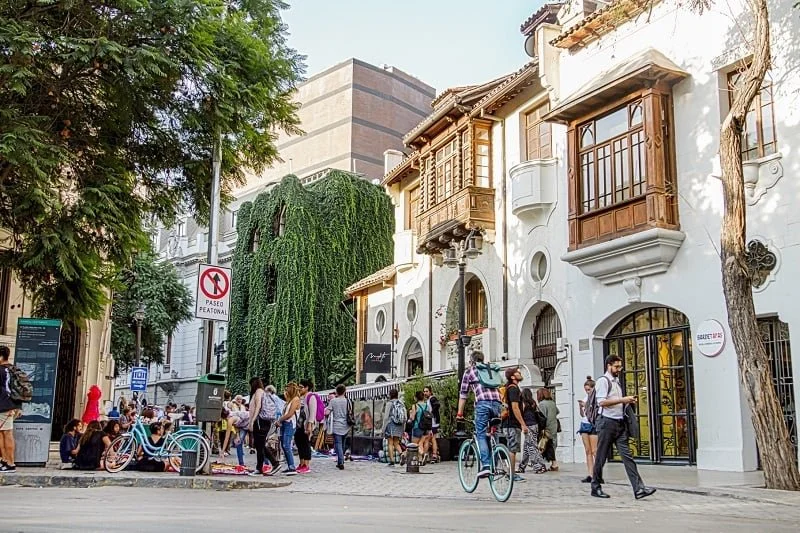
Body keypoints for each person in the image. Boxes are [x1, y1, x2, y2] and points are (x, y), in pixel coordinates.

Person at [591, 355, 656, 500]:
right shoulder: (603, 381)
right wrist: (622, 399)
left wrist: (628, 401)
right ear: (609, 366)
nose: (619, 369)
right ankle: (595, 486)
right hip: (606, 423)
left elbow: (616, 402)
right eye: (616, 366)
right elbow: (601, 402)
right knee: (601, 457)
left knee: (628, 457)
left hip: (619, 423)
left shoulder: (617, 382)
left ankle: (639, 489)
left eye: (620, 366)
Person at [457, 350, 502, 479]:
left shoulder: (470, 371)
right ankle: (496, 463)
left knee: (481, 434)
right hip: (497, 403)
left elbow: (463, 394)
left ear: (471, 361)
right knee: (494, 432)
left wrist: (460, 413)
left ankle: (486, 466)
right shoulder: (490, 369)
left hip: (483, 404)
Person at [248, 377, 281, 475]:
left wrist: (252, 420)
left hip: (260, 421)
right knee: (259, 445)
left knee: (260, 445)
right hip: (262, 421)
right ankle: (261, 467)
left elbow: (258, 406)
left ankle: (273, 463)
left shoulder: (258, 391)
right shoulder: (262, 392)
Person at [503, 367, 526, 482]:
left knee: (512, 448)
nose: (520, 373)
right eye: (517, 372)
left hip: (508, 424)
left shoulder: (510, 388)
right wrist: (523, 424)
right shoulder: (513, 389)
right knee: (513, 449)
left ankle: (510, 472)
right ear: (512, 377)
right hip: (512, 423)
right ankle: (511, 474)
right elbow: (515, 407)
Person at [517, 388, 547, 474]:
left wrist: (522, 425)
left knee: (531, 447)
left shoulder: (523, 404)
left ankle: (538, 466)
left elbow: (521, 415)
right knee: (527, 446)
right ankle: (522, 466)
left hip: (528, 426)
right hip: (535, 426)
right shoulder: (533, 403)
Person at [0, 345, 20, 472]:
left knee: (6, 434)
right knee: (4, 433)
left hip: (3, 406)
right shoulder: (13, 369)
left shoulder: (1, 370)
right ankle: (5, 461)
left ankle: (10, 462)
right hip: (10, 405)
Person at [275, 382, 301, 475]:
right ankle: (289, 465)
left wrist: (279, 420)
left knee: (286, 445)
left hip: (290, 423)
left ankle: (292, 467)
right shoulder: (289, 400)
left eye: (286, 389)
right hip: (285, 423)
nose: (285, 391)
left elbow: (290, 414)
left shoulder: (296, 399)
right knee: (284, 445)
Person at [577, 376, 599, 483]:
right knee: (587, 451)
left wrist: (586, 405)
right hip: (585, 423)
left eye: (589, 390)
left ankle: (598, 474)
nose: (587, 392)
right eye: (586, 390)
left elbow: (596, 411)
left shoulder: (597, 398)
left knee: (595, 450)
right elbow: (583, 414)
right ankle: (590, 474)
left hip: (593, 424)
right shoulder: (585, 398)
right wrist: (580, 407)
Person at [296, 379, 319, 474]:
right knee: (299, 443)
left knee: (305, 444)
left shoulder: (311, 397)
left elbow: (312, 413)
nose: (299, 389)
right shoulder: (301, 397)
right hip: (299, 424)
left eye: (301, 387)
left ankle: (306, 464)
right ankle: (301, 463)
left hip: (306, 424)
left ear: (307, 387)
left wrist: (309, 425)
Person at [327, 384, 351, 470]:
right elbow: (350, 412)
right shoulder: (348, 401)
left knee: (338, 444)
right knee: (343, 444)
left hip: (336, 425)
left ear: (336, 392)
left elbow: (327, 412)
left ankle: (340, 462)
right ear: (345, 391)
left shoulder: (333, 401)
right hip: (346, 425)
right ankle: (341, 460)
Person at [537, 387, 559, 471]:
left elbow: (542, 417)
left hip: (546, 427)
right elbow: (557, 412)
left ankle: (542, 463)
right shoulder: (552, 403)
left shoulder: (542, 404)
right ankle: (553, 463)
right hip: (554, 426)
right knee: (551, 445)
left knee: (543, 445)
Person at [381, 389, 405, 467]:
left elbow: (386, 417)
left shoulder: (389, 403)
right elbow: (404, 415)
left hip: (390, 424)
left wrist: (383, 428)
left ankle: (392, 461)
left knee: (390, 443)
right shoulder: (401, 403)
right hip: (399, 425)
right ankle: (401, 454)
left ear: (390, 395)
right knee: (396, 442)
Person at [409, 390, 430, 462]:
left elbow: (412, 417)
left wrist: (410, 414)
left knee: (414, 444)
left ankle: (422, 454)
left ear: (416, 398)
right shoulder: (427, 406)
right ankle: (421, 459)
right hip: (426, 427)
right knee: (420, 443)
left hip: (417, 427)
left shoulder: (415, 406)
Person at [423, 386, 441, 463]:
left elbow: (437, 405)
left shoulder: (432, 399)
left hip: (433, 422)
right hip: (433, 421)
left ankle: (433, 455)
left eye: (427, 391)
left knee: (431, 438)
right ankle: (434, 454)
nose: (425, 393)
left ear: (430, 392)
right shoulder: (429, 399)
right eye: (424, 391)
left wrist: (431, 413)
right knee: (432, 438)